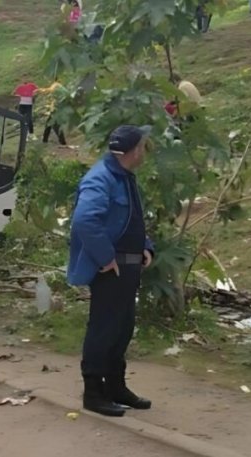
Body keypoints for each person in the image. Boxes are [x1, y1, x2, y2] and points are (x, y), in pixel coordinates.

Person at [67, 125, 155, 418]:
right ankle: (93, 392)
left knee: (122, 329)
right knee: (104, 330)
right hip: (111, 269)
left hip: (128, 266)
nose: (145, 150)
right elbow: (84, 220)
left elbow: (129, 219)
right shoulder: (100, 179)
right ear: (132, 151)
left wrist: (145, 245)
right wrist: (105, 258)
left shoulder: (124, 178)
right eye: (142, 145)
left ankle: (116, 386)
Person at [36, 80, 67, 145]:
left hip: (56, 109)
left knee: (56, 125)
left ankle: (63, 142)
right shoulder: (63, 88)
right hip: (58, 108)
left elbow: (49, 90)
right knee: (48, 124)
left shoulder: (56, 85)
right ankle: (45, 140)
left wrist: (39, 90)